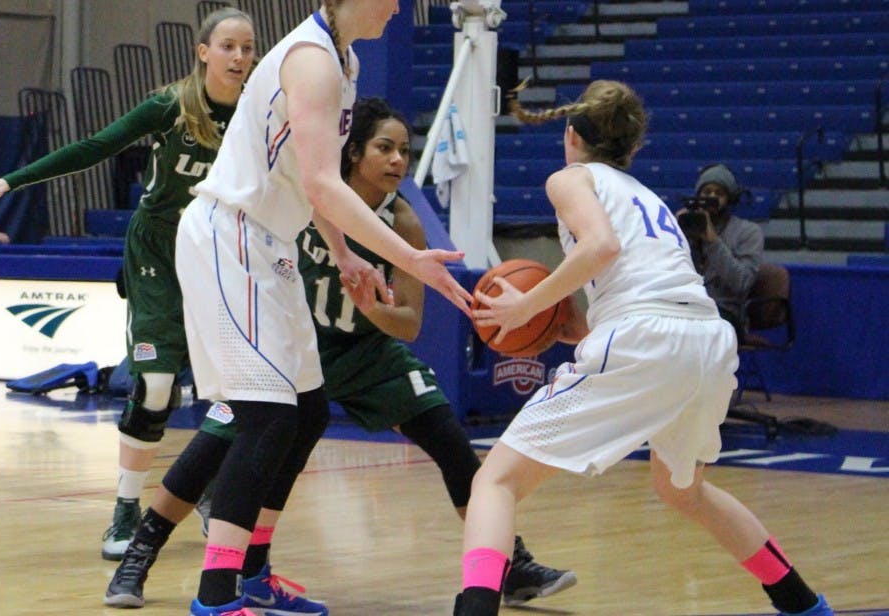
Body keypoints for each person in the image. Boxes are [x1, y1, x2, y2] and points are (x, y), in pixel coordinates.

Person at [104, 97, 575, 610]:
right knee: (219, 437)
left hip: (367, 352)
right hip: (295, 343)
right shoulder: (312, 200)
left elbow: (411, 325)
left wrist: (369, 305)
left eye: (404, 151)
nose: (398, 160)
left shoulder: (403, 221)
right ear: (353, 153)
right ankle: (140, 555)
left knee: (451, 441)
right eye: (385, 148)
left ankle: (512, 562)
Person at [173, 0, 471, 616]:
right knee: (267, 419)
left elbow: (314, 187)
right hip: (229, 234)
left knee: (305, 410)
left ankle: (251, 575)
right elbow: (325, 183)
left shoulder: (342, 62)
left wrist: (341, 255)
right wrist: (405, 255)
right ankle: (215, 597)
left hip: (271, 240)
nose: (398, 8)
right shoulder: (312, 62)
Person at [454, 80, 834, 616]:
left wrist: (523, 309)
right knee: (685, 492)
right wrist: (575, 328)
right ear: (629, 148)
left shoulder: (570, 178)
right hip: (706, 339)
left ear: (571, 134)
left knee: (494, 479)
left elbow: (601, 248)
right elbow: (646, 291)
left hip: (647, 337)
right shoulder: (646, 197)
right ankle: (805, 605)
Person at [0, 9, 256, 560]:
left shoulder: (260, 109)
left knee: (227, 393)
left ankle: (206, 489)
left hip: (220, 254)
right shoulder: (169, 106)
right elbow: (94, 147)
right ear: (203, 51)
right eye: (228, 46)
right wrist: (10, 181)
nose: (239, 57)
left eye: (247, 48)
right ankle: (125, 507)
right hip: (159, 248)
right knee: (156, 386)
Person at [677, 163, 765, 335]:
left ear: (730, 199)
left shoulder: (749, 232)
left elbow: (742, 283)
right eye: (706, 192)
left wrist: (712, 241)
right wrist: (674, 234)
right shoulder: (686, 226)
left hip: (725, 311)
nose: (711, 197)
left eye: (719, 193)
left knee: (695, 333)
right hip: (688, 306)